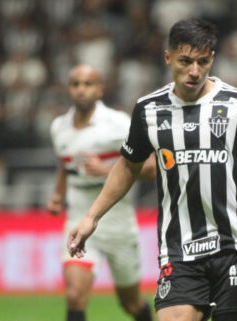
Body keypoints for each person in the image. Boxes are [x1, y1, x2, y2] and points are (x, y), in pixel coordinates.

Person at [67, 18, 237, 321]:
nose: (194, 71)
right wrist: (92, 217)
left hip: (235, 245)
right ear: (168, 58)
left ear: (212, 59)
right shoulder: (149, 109)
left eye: (203, 62)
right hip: (179, 251)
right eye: (185, 61)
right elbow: (128, 166)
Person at [46, 65, 155, 321]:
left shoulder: (118, 124)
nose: (81, 90)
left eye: (88, 84)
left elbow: (152, 167)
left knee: (130, 303)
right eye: (75, 84)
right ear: (68, 89)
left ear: (100, 89)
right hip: (78, 216)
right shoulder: (59, 127)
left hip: (117, 219)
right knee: (74, 295)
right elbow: (64, 164)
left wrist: (105, 170)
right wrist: (58, 195)